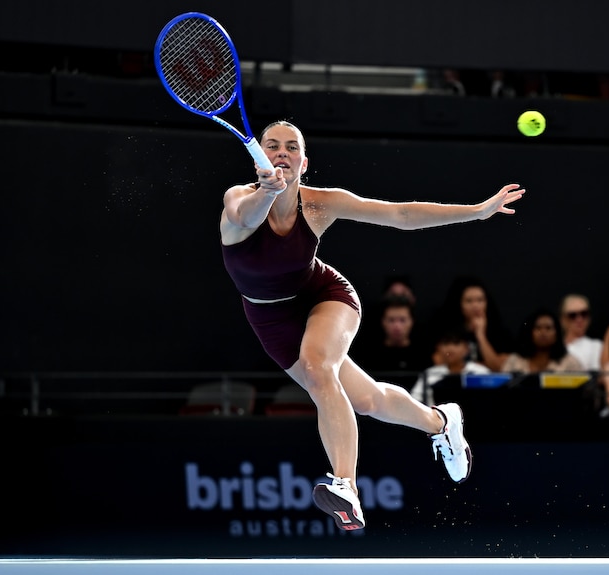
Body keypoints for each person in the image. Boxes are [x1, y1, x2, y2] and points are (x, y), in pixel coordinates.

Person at [219, 120, 525, 530]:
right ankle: (442, 422)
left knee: (317, 368)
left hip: (324, 296)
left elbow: (398, 214)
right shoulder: (238, 198)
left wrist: (477, 212)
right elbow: (245, 215)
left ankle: (344, 484)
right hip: (270, 317)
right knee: (366, 400)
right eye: (272, 145)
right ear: (260, 159)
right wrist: (267, 191)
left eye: (292, 147)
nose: (282, 152)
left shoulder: (319, 204)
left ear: (303, 162)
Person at [430, 276, 514, 372]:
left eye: (480, 300)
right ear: (459, 304)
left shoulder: (499, 332)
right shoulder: (445, 330)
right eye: (469, 301)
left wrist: (480, 335)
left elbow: (498, 367)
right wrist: (479, 365)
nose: (475, 305)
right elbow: (439, 361)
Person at [349, 295, 432, 388]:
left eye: (402, 320)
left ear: (412, 321)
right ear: (383, 322)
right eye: (391, 320)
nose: (397, 326)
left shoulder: (423, 354)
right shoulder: (369, 354)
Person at [410, 329, 491, 407]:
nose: (450, 348)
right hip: (436, 418)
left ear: (467, 348)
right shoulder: (429, 374)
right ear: (438, 348)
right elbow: (414, 400)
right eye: (446, 343)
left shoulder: (481, 372)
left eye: (456, 343)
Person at [502, 308, 584, 374]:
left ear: (557, 333)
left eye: (548, 328)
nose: (543, 333)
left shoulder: (570, 363)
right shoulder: (515, 361)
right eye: (538, 328)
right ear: (529, 332)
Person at [559, 294, 603, 372]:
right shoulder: (552, 348)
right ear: (563, 319)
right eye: (572, 315)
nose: (579, 319)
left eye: (584, 314)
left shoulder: (596, 346)